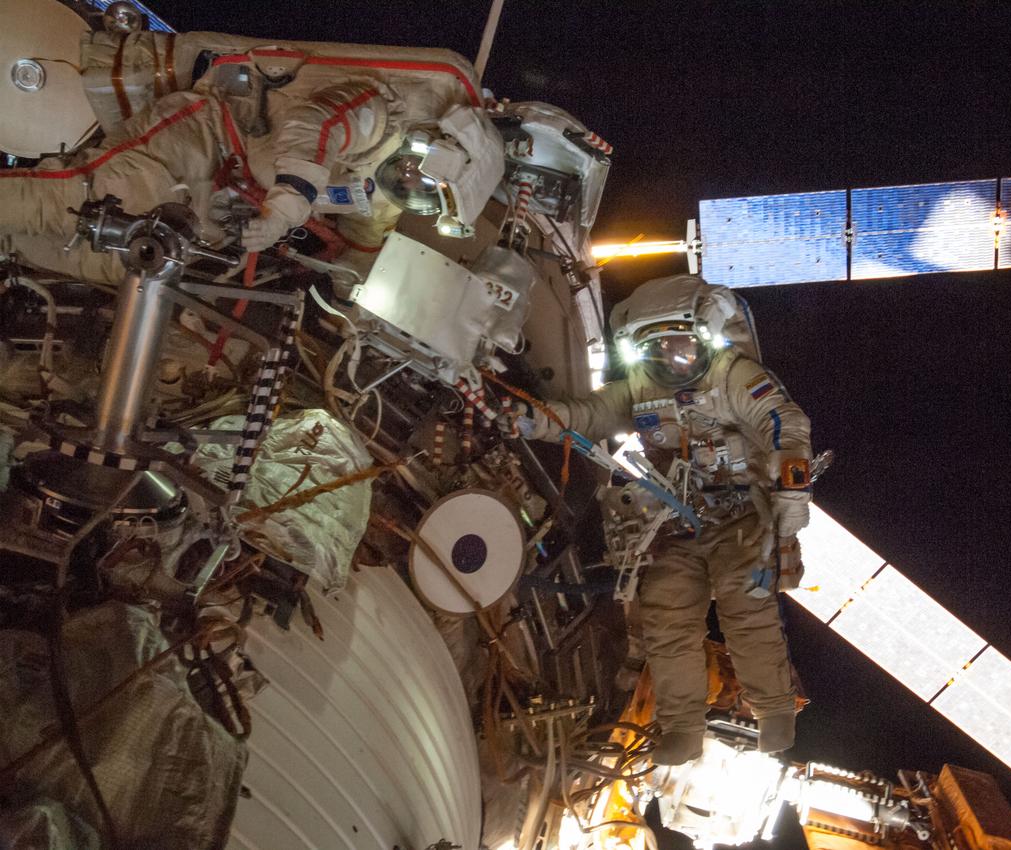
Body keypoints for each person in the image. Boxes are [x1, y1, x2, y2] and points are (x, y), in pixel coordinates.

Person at [524, 274, 813, 764]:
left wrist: (791, 479)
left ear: (704, 338)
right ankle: (681, 725)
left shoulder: (733, 374)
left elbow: (783, 420)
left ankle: (774, 711)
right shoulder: (639, 386)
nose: (671, 358)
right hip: (676, 522)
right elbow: (588, 415)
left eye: (681, 345)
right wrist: (534, 420)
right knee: (665, 619)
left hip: (743, 515)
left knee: (747, 608)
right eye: (656, 348)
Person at [0, 33, 503, 285]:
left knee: (122, 264)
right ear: (433, 146)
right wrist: (287, 208)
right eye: (420, 177)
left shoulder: (389, 196)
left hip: (229, 205)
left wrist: (355, 298)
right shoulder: (377, 113)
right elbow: (315, 126)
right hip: (208, 135)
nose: (410, 185)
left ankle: (9, 248)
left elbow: (362, 244)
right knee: (78, 199)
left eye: (425, 198)